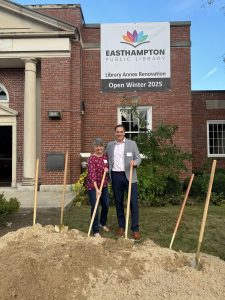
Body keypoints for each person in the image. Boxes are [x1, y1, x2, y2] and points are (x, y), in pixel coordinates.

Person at [106, 124, 141, 240]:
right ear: (115, 133)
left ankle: (135, 229)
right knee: (118, 202)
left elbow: (138, 158)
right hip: (116, 176)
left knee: (133, 203)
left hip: (130, 176)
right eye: (117, 132)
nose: (119, 134)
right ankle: (121, 226)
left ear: (124, 133)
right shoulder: (110, 146)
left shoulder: (132, 144)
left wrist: (135, 163)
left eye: (121, 132)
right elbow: (105, 158)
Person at [87, 137, 110, 237]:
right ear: (94, 147)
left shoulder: (105, 157)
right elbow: (92, 175)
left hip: (103, 185)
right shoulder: (92, 159)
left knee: (106, 204)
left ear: (103, 147)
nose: (99, 148)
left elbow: (107, 167)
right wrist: (96, 190)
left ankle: (102, 223)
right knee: (95, 206)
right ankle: (95, 230)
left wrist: (107, 170)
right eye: (97, 146)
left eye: (101, 146)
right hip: (93, 186)